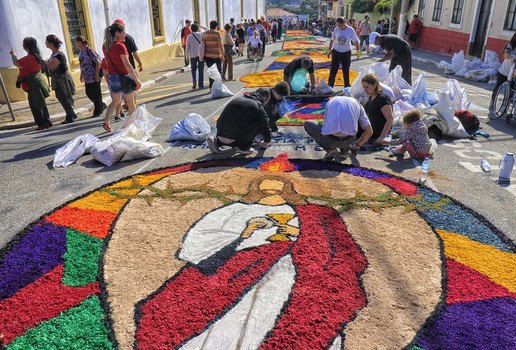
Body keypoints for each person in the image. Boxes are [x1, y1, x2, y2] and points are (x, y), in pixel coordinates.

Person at [304, 96, 373, 161]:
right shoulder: (357, 104)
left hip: (330, 141)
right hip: (349, 140)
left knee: (308, 123)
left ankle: (330, 150)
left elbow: (325, 125)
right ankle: (345, 151)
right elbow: (369, 131)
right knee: (349, 126)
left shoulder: (331, 101)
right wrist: (357, 145)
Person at [102, 22, 142, 132]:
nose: (125, 35)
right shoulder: (120, 46)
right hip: (124, 77)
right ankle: (134, 125)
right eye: (123, 33)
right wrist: (136, 79)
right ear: (117, 33)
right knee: (130, 103)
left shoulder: (105, 46)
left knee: (115, 101)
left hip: (113, 77)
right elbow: (127, 65)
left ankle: (106, 121)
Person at [206, 88, 272, 155]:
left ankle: (217, 142)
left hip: (220, 135)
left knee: (235, 123)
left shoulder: (238, 99)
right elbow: (266, 127)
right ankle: (244, 148)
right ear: (265, 99)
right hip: (236, 140)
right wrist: (265, 143)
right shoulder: (258, 106)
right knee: (260, 122)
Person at [10, 38, 52, 130]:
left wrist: (13, 55)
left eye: (23, 44)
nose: (22, 46)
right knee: (40, 103)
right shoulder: (36, 56)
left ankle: (42, 123)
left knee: (36, 104)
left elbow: (16, 63)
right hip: (36, 83)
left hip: (33, 85)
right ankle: (46, 122)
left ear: (27, 46)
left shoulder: (29, 58)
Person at [44, 34, 77, 124]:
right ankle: (70, 114)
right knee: (60, 96)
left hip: (62, 78)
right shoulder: (54, 54)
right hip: (57, 78)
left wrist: (44, 62)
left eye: (46, 41)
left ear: (51, 43)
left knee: (65, 96)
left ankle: (71, 115)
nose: (45, 43)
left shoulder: (59, 55)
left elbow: (51, 66)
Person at [75, 35, 105, 118]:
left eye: (76, 42)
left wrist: (96, 74)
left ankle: (97, 110)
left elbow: (98, 62)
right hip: (87, 76)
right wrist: (81, 74)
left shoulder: (89, 50)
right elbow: (82, 63)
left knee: (96, 93)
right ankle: (101, 105)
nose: (75, 44)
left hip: (93, 75)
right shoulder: (81, 51)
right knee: (88, 93)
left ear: (81, 42)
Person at [359, 73, 394, 143]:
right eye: (363, 87)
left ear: (375, 85)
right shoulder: (371, 97)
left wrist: (382, 137)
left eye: (367, 87)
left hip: (378, 131)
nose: (365, 90)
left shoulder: (382, 99)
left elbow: (390, 119)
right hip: (371, 127)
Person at [327, 17, 360, 88]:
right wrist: (329, 50)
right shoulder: (336, 29)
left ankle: (347, 85)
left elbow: (356, 41)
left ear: (344, 23)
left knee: (346, 69)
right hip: (336, 51)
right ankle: (330, 84)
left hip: (346, 52)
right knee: (333, 69)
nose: (338, 26)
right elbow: (332, 40)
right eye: (337, 25)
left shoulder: (350, 30)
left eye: (339, 25)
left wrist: (358, 51)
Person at [489, 33, 516, 116]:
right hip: (504, 71)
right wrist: (514, 58)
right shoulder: (510, 45)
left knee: (511, 93)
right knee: (498, 87)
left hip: (513, 75)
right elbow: (506, 55)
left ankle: (505, 109)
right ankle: (492, 105)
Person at [202, 20, 224, 90]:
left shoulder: (205, 33)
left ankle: (211, 86)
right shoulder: (217, 33)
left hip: (208, 55)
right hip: (217, 55)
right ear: (216, 26)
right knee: (218, 70)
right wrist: (222, 55)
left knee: (211, 71)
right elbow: (220, 45)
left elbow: (203, 44)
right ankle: (218, 86)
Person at [185, 22, 204, 89]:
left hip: (192, 55)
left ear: (191, 29)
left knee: (193, 69)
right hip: (200, 54)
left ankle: (194, 81)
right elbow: (207, 29)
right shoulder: (201, 34)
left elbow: (187, 47)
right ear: (197, 28)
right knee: (201, 69)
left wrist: (186, 57)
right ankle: (201, 84)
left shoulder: (189, 36)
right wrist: (201, 26)